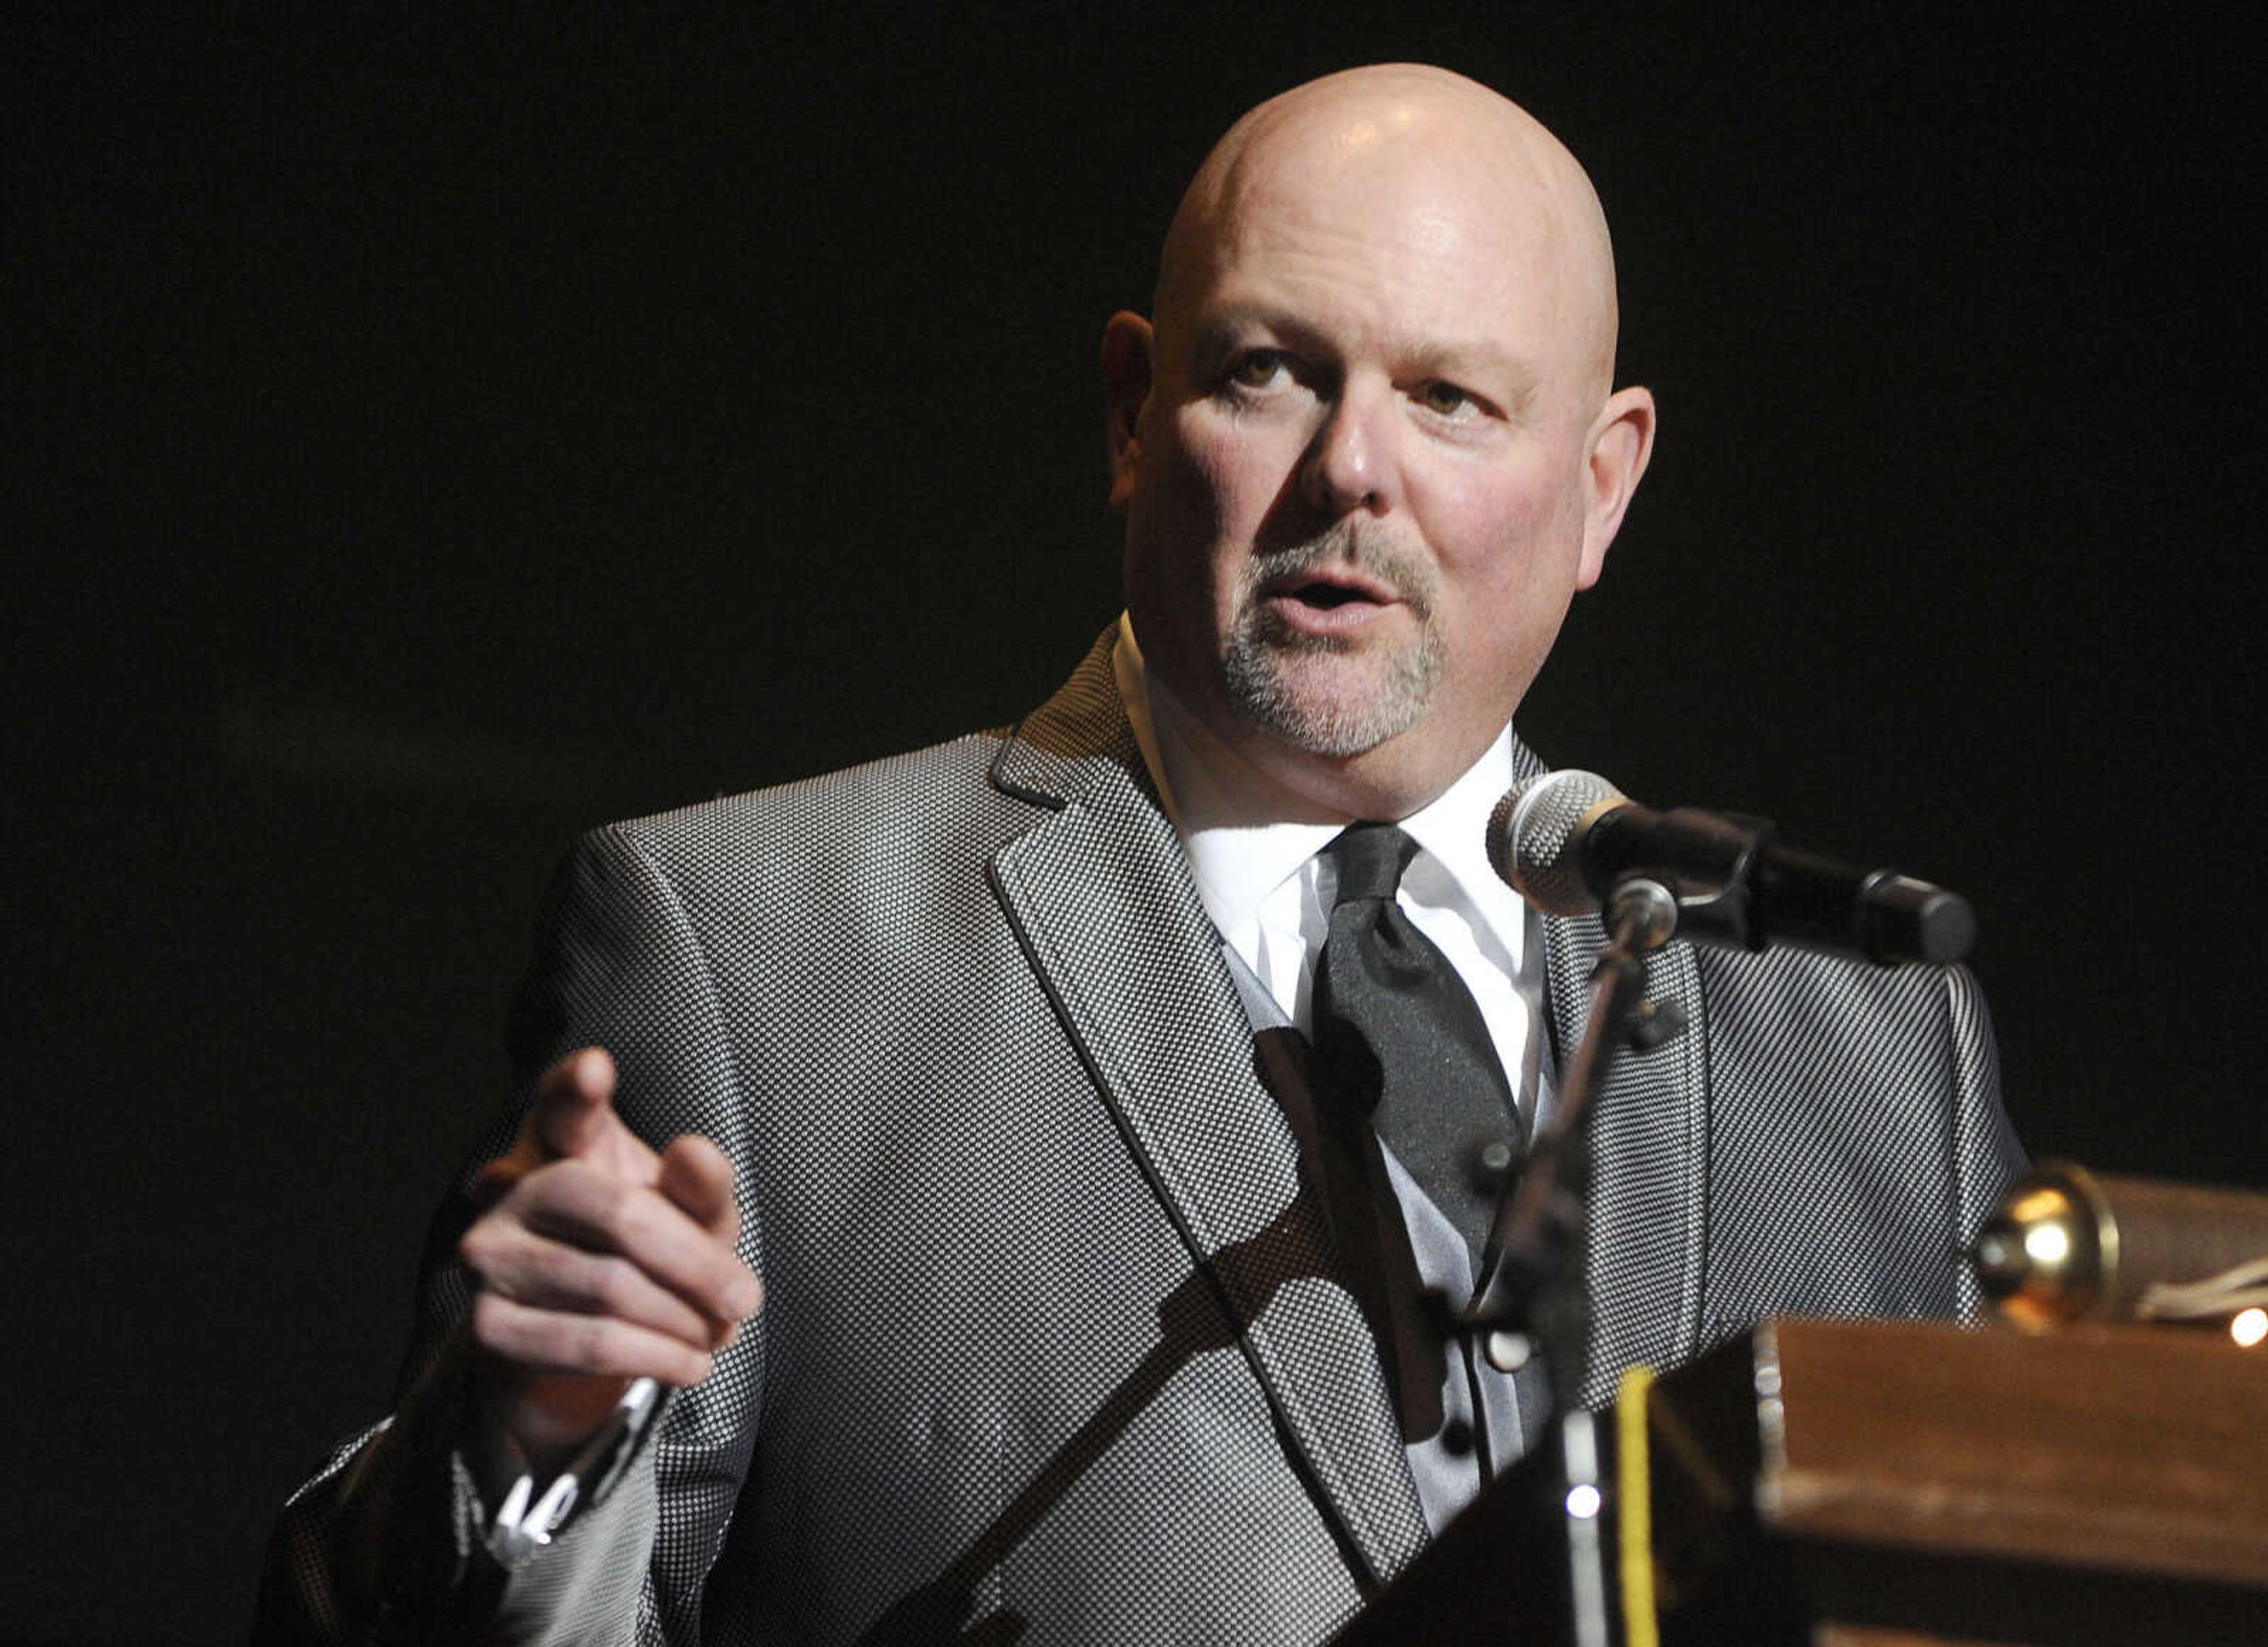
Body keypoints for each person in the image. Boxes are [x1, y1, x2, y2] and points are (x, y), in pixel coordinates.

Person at [258, 63, 2022, 1646]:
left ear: (1603, 485)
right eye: (1272, 372)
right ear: (1130, 411)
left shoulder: (1860, 1053)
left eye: (1454, 401)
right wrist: (528, 1456)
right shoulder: (752, 952)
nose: (1352, 472)